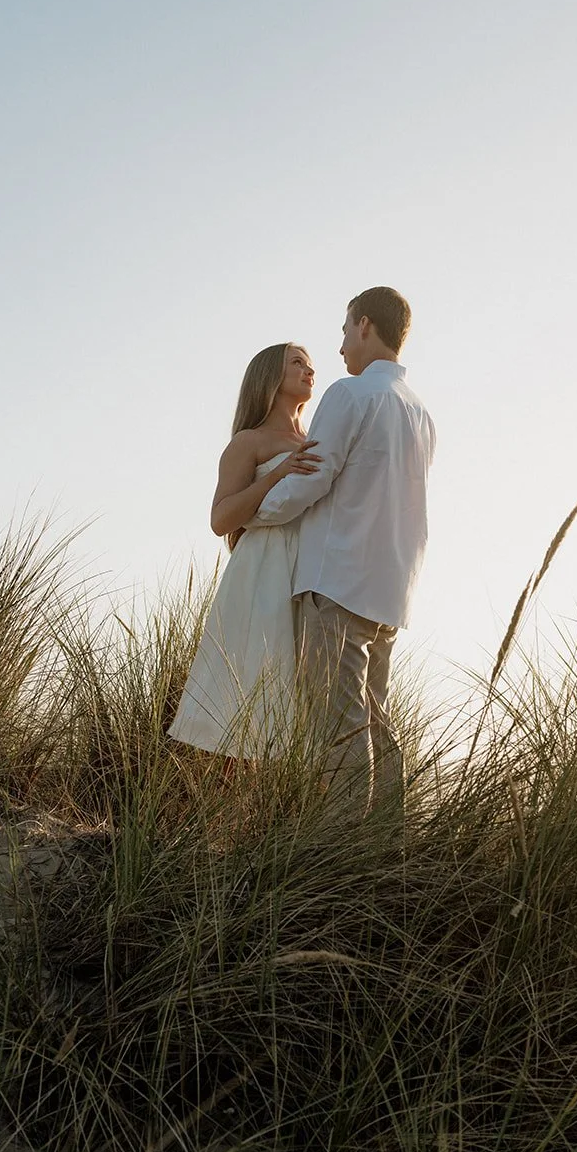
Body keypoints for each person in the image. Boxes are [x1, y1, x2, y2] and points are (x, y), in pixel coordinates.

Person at [252, 286, 436, 814]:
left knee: (338, 727)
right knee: (374, 720)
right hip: (391, 587)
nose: (338, 349)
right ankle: (385, 848)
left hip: (338, 580)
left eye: (343, 330)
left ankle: (345, 851)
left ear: (363, 325)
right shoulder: (422, 413)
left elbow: (313, 476)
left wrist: (254, 515)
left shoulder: (350, 394)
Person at [167, 342, 320, 755]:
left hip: (308, 570)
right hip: (261, 569)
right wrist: (278, 474)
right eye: (297, 363)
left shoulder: (318, 439)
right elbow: (221, 519)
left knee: (301, 697)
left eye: (310, 364)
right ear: (270, 376)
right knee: (249, 685)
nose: (309, 370)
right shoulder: (248, 442)